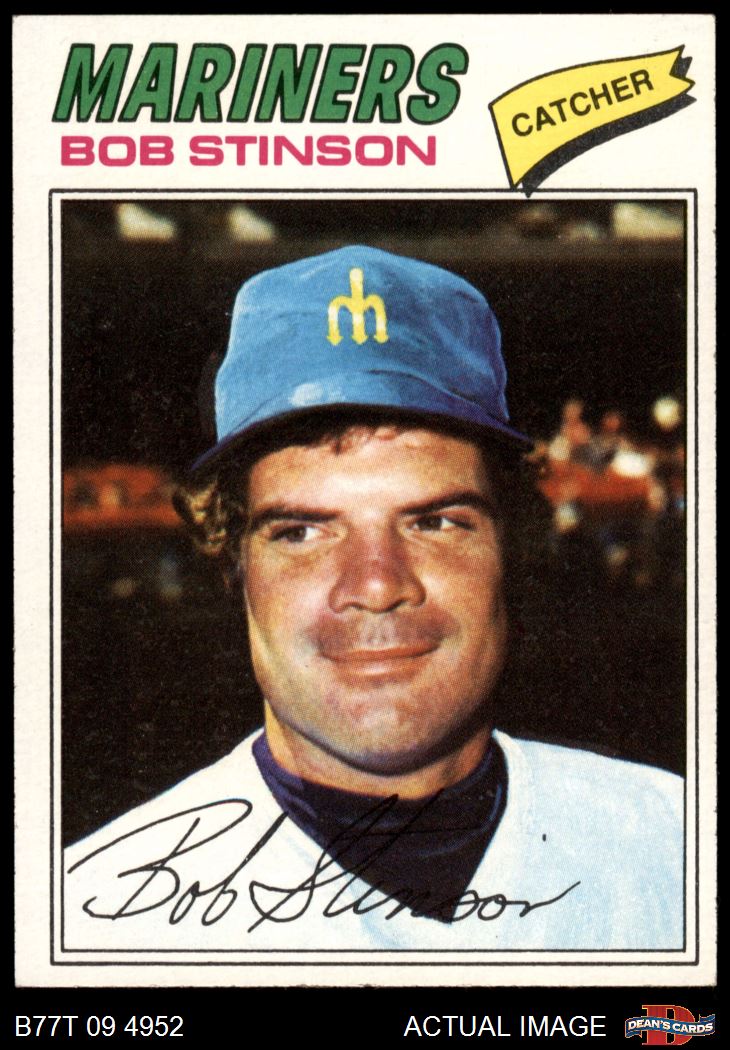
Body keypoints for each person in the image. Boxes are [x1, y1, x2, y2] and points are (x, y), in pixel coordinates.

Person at [64, 246, 683, 952]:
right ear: (234, 563)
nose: (378, 585)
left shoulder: (679, 845)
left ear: (511, 547)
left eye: (434, 522)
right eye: (302, 532)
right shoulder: (86, 920)